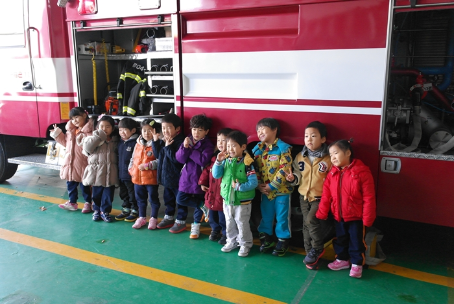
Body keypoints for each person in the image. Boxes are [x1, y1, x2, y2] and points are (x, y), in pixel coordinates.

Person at [316, 139, 376, 278]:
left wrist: (367, 218)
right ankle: (342, 259)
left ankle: (356, 264)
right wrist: (322, 212)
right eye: (330, 155)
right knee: (340, 238)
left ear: (348, 152)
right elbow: (326, 195)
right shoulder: (332, 173)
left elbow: (369, 197)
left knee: (356, 241)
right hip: (338, 215)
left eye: (336, 153)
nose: (333, 158)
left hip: (356, 217)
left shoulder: (362, 172)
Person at [285, 121, 331, 268]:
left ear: (323, 139)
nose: (309, 139)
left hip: (320, 197)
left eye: (313, 136)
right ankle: (310, 254)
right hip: (303, 196)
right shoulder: (300, 156)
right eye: (306, 136)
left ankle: (317, 248)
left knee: (311, 220)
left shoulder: (329, 158)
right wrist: (292, 179)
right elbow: (297, 174)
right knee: (306, 225)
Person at [212, 131, 258, 257]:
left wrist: (239, 187)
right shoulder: (226, 160)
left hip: (242, 201)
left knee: (242, 223)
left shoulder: (248, 163)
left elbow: (253, 183)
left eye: (233, 145)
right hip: (227, 199)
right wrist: (218, 162)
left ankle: (245, 244)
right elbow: (216, 175)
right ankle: (231, 241)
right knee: (229, 222)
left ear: (243, 147)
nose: (230, 149)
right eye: (228, 145)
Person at [252, 118, 293, 257]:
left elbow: (285, 168)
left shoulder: (283, 148)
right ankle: (267, 239)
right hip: (265, 192)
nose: (260, 132)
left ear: (274, 130)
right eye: (258, 130)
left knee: (282, 217)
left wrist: (272, 186)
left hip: (281, 192)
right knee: (266, 216)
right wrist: (259, 186)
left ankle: (283, 241)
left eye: (263, 129)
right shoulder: (258, 150)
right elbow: (255, 169)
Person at [172, 114, 214, 238]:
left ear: (206, 131)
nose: (196, 133)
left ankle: (196, 227)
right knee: (180, 199)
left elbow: (202, 160)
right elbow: (179, 159)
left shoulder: (208, 145)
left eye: (200, 130)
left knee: (197, 201)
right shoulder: (187, 140)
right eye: (194, 129)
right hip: (186, 177)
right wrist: (185, 147)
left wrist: (191, 149)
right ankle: (202, 205)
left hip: (199, 178)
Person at [51, 107, 94, 213]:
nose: (74, 120)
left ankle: (88, 203)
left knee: (85, 185)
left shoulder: (90, 131)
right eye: (72, 119)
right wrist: (58, 134)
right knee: (70, 183)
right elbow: (66, 143)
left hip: (83, 162)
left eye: (76, 117)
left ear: (84, 115)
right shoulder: (71, 131)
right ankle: (72, 202)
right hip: (71, 162)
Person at [79, 115, 119, 223]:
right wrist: (98, 137)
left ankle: (105, 211)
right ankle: (96, 210)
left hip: (110, 173)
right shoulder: (93, 139)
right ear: (97, 127)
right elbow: (87, 149)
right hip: (96, 172)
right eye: (101, 126)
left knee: (108, 195)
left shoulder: (115, 140)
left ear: (113, 129)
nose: (104, 129)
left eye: (108, 127)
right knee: (96, 194)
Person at [198, 128, 232, 245]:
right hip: (212, 193)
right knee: (212, 215)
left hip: (223, 195)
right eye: (218, 140)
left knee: (224, 217)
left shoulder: (231, 159)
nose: (221, 143)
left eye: (224, 140)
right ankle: (215, 230)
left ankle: (225, 233)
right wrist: (203, 182)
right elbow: (207, 171)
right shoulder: (214, 157)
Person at [151, 114, 185, 229]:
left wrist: (168, 147)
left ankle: (181, 220)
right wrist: (156, 142)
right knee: (168, 199)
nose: (165, 130)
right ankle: (169, 217)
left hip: (177, 179)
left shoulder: (180, 142)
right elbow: (158, 155)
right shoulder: (165, 140)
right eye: (163, 128)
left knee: (180, 200)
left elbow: (176, 160)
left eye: (169, 127)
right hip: (166, 178)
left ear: (177, 129)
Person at [128, 119, 161, 229]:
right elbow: (133, 158)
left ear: (155, 132)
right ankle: (141, 217)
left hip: (151, 179)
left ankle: (153, 218)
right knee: (140, 199)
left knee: (153, 199)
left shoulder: (157, 144)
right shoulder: (138, 143)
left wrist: (148, 166)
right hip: (137, 178)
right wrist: (131, 169)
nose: (146, 133)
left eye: (150, 131)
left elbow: (160, 160)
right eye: (144, 130)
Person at [115, 118, 139, 222]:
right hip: (121, 174)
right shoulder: (120, 142)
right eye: (120, 130)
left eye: (125, 130)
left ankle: (135, 210)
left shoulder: (135, 143)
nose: (122, 133)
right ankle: (126, 208)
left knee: (132, 193)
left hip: (131, 175)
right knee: (123, 193)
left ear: (133, 130)